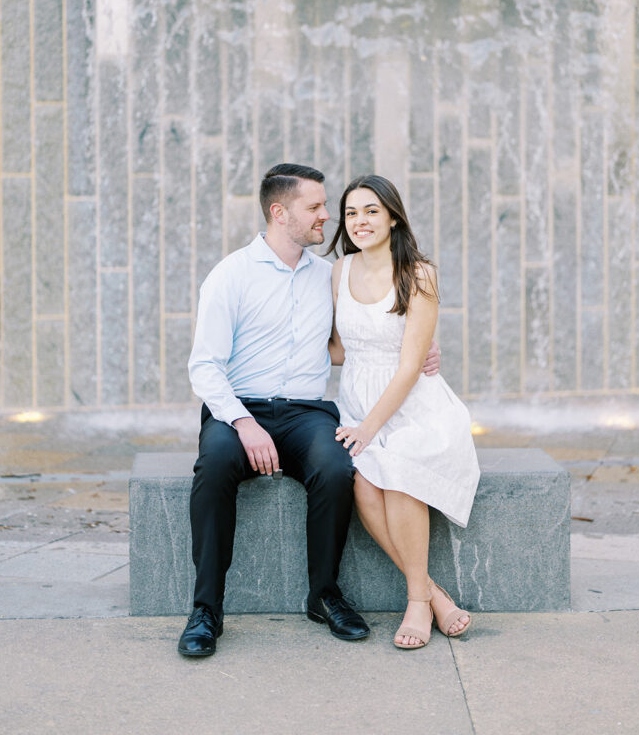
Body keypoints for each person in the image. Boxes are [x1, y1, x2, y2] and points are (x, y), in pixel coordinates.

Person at [178, 163, 441, 658]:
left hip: (306, 412)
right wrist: (243, 423)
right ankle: (206, 609)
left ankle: (324, 594)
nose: (327, 215)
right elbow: (204, 366)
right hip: (240, 408)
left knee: (337, 467)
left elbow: (360, 338)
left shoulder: (331, 275)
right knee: (213, 467)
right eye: (315, 207)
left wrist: (420, 348)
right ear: (280, 213)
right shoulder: (231, 274)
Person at [327, 174, 480, 651]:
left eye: (371, 210)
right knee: (363, 485)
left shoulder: (419, 273)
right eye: (351, 213)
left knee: (397, 470)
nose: (360, 221)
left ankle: (416, 602)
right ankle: (434, 594)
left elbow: (411, 365)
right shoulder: (339, 271)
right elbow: (339, 349)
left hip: (414, 405)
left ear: (393, 217)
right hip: (359, 400)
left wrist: (367, 429)